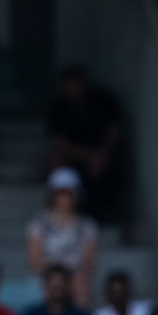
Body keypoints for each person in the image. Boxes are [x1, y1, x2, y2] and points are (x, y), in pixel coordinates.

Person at [48, 65, 129, 223]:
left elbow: (114, 132)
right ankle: (60, 216)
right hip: (74, 155)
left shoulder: (103, 100)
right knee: (58, 166)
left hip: (103, 154)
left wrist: (102, 154)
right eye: (68, 84)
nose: (73, 88)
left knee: (101, 167)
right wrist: (89, 156)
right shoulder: (59, 106)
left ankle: (99, 215)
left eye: (76, 83)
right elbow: (59, 143)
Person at [26, 168, 99, 310]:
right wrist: (57, 276)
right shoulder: (38, 224)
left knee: (80, 284)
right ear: (52, 195)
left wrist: (70, 277)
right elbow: (35, 260)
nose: (64, 198)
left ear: (76, 195)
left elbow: (90, 263)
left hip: (75, 278)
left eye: (69, 194)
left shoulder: (88, 226)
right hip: (46, 276)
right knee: (55, 285)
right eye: (60, 193)